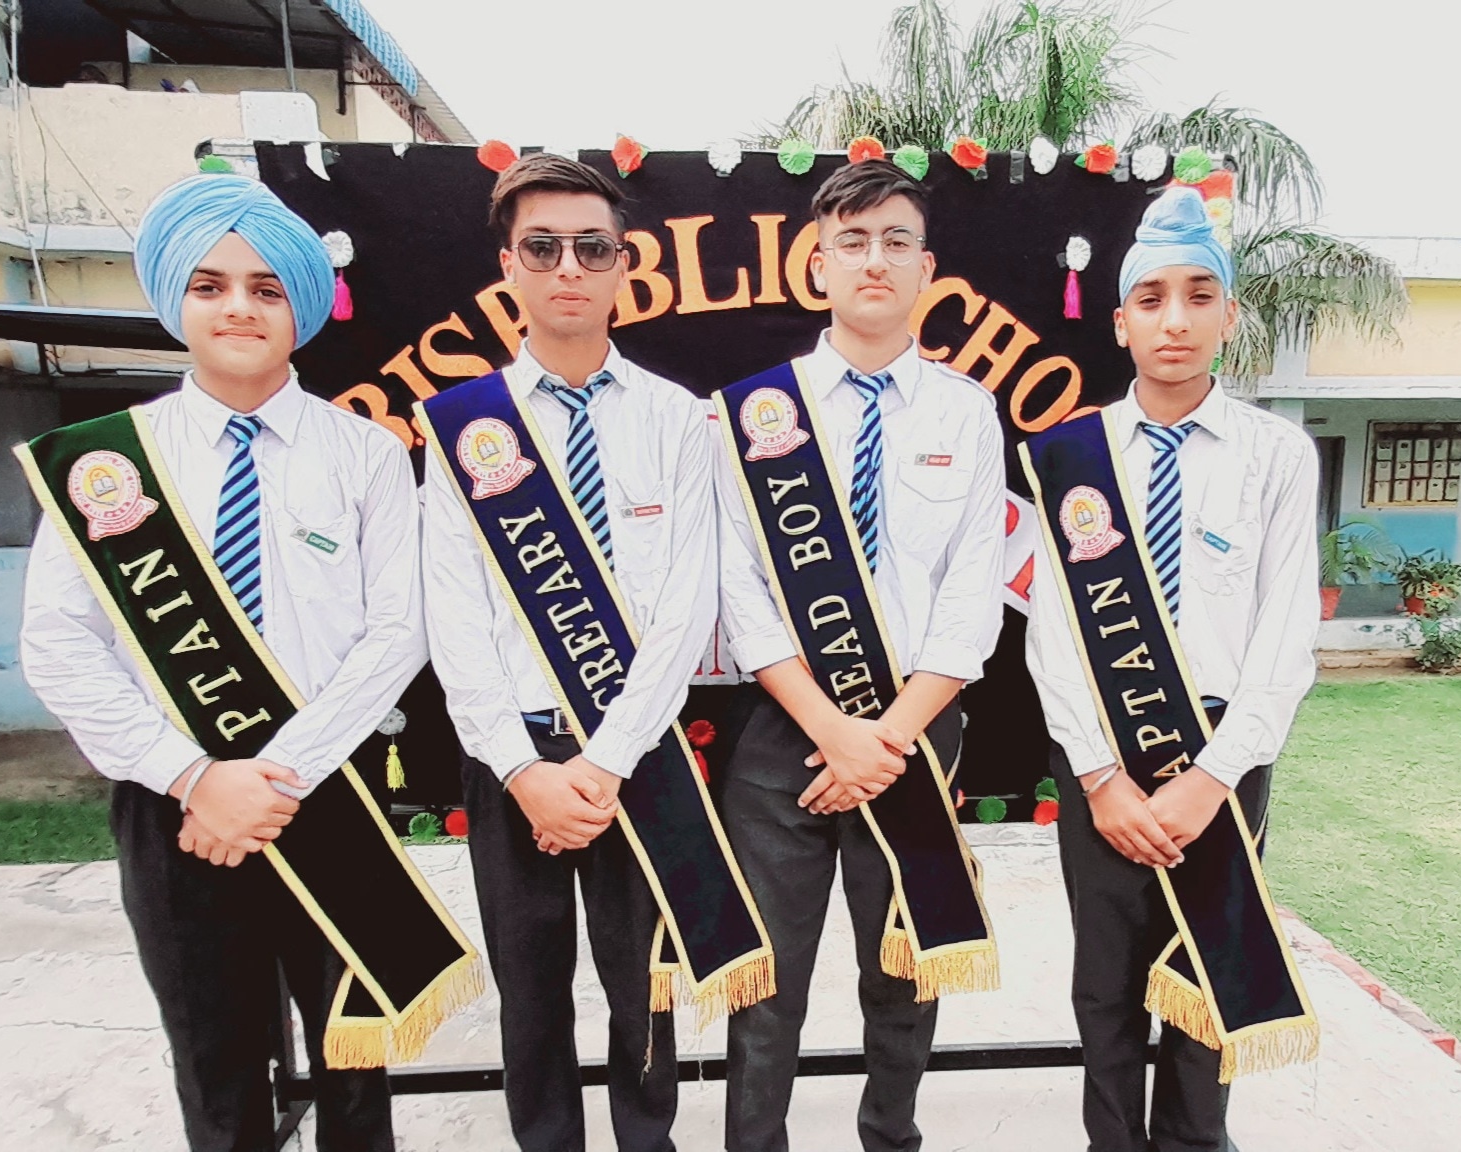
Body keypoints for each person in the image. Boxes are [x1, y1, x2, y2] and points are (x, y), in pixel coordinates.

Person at [17, 173, 475, 1152]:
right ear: (175, 299)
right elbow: (58, 644)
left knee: (355, 1063)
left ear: (300, 309)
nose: (239, 307)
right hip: (174, 805)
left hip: (328, 790)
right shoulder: (107, 460)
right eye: (211, 285)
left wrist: (278, 774)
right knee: (215, 1065)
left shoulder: (364, 454)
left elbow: (397, 632)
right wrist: (197, 777)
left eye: (267, 288)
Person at [420, 152, 769, 1152]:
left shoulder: (678, 419)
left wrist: (607, 759)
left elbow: (686, 605)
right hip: (513, 758)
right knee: (529, 986)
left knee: (640, 982)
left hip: (637, 750)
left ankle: (645, 1140)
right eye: (542, 247)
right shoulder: (461, 428)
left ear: (624, 264)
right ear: (509, 267)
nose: (567, 266)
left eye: (591, 247)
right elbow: (454, 615)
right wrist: (523, 768)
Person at [713, 158, 1007, 1152]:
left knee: (905, 969)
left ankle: (892, 1137)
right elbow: (741, 592)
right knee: (768, 982)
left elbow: (972, 598)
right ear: (818, 265)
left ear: (926, 267)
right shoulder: (755, 412)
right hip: (784, 732)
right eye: (852, 241)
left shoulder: (966, 412)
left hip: (916, 729)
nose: (873, 260)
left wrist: (885, 737)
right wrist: (834, 730)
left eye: (894, 241)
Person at [1023, 186, 1321, 1152]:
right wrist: (1100, 778)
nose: (1176, 320)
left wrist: (1213, 777)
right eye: (1152, 299)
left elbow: (1285, 638)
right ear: (1120, 322)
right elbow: (1052, 636)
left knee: (1208, 980)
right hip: (1102, 758)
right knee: (1105, 986)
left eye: (1200, 296)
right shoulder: (1069, 457)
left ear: (1230, 315)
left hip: (1225, 755)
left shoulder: (1277, 455)